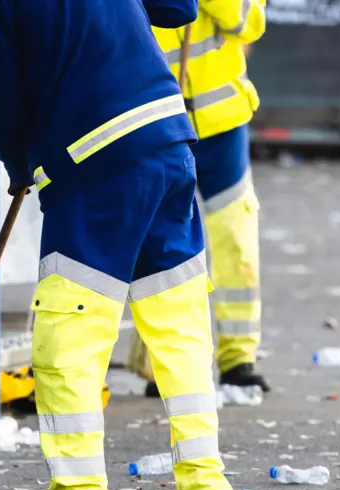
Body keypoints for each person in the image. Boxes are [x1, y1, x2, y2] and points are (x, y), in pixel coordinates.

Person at [0, 0, 234, 490]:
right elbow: (177, 8)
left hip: (95, 157)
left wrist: (20, 163)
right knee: (178, 329)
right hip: (167, 137)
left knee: (68, 338)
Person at [130, 0, 270, 400]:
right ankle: (165, 365)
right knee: (163, 249)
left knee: (235, 239)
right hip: (159, 122)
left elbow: (249, 21)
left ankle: (239, 361)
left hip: (222, 123)